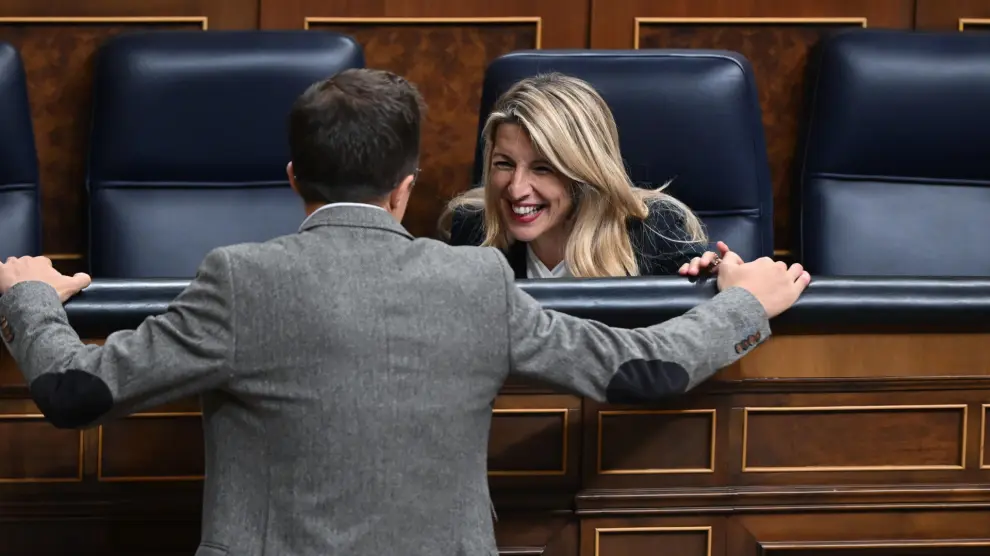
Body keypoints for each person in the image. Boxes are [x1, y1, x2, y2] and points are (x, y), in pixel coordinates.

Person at [0, 68, 810, 556]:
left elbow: (72, 392)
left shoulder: (237, 279)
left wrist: (29, 293)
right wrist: (746, 304)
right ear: (406, 188)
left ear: (294, 177)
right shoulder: (476, 280)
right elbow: (645, 371)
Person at [439, 72, 723, 280]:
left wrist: (713, 280)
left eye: (543, 168)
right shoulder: (474, 227)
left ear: (584, 171)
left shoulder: (651, 230)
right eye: (504, 164)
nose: (516, 189)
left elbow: (708, 321)